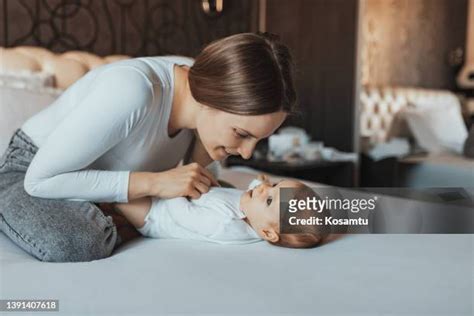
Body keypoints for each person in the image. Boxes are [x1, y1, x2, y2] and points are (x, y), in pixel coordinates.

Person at [0, 32, 297, 262]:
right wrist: (155, 182)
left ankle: (112, 209)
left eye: (257, 140)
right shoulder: (133, 91)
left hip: (103, 181)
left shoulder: (200, 82)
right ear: (212, 99)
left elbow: (186, 172)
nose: (246, 153)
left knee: (219, 196)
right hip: (28, 171)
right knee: (80, 242)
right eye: (241, 133)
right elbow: (39, 180)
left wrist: (206, 155)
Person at [112, 175, 329, 248]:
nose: (264, 189)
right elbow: (250, 194)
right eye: (275, 184)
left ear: (268, 233)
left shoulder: (226, 224)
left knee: (119, 195)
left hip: (157, 214)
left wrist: (175, 187)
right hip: (179, 196)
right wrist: (262, 185)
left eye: (270, 199)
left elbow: (183, 216)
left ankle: (108, 207)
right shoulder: (255, 213)